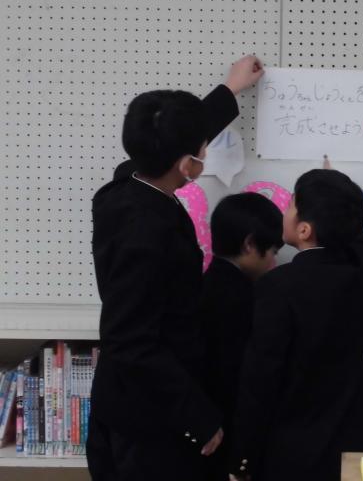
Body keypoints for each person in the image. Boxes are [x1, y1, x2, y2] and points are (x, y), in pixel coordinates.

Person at [86, 56, 265, 481]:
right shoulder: (147, 234)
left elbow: (169, 138)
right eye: (202, 150)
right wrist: (197, 414)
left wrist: (229, 91)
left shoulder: (122, 186)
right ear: (187, 166)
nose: (205, 154)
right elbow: (130, 340)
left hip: (132, 399)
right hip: (148, 419)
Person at [229, 169, 363, 481]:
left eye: (291, 205)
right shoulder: (360, 273)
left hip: (293, 455)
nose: (284, 210)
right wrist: (336, 196)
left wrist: (242, 459)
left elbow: (260, 381)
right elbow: (361, 243)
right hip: (353, 454)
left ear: (305, 229)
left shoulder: (276, 287)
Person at [200, 192, 284, 481]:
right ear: (249, 244)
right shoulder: (245, 299)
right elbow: (245, 381)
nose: (273, 261)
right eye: (272, 251)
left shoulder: (204, 285)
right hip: (227, 438)